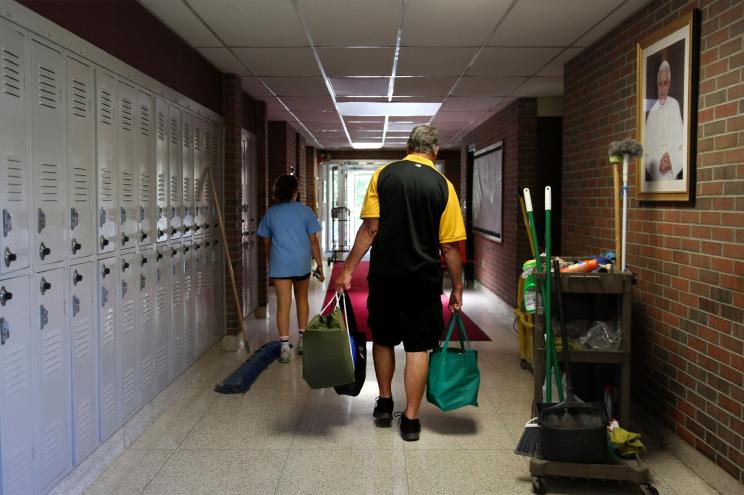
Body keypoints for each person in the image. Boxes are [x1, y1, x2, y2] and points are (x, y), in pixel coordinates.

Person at [334, 125, 466, 441]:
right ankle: (410, 420)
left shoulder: (384, 175)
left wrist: (348, 269)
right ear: (435, 150)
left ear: (407, 146)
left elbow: (370, 229)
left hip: (386, 275)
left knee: (383, 337)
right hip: (423, 279)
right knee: (419, 347)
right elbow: (448, 246)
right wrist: (457, 287)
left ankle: (384, 402)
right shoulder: (443, 185)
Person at [257, 174, 324, 363]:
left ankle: (285, 347)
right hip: (301, 262)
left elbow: (265, 241)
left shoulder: (271, 213)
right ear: (296, 191)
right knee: (302, 299)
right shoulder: (305, 212)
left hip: (280, 263)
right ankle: (302, 340)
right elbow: (313, 241)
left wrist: (270, 257)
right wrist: (319, 265)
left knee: (283, 303)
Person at [644, 60, 684, 181]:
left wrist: (671, 161)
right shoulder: (652, 112)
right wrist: (658, 164)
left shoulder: (674, 105)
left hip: (672, 178)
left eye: (665, 83)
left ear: (669, 84)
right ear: (657, 85)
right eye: (660, 84)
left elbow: (683, 146)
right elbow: (646, 153)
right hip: (656, 181)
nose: (662, 88)